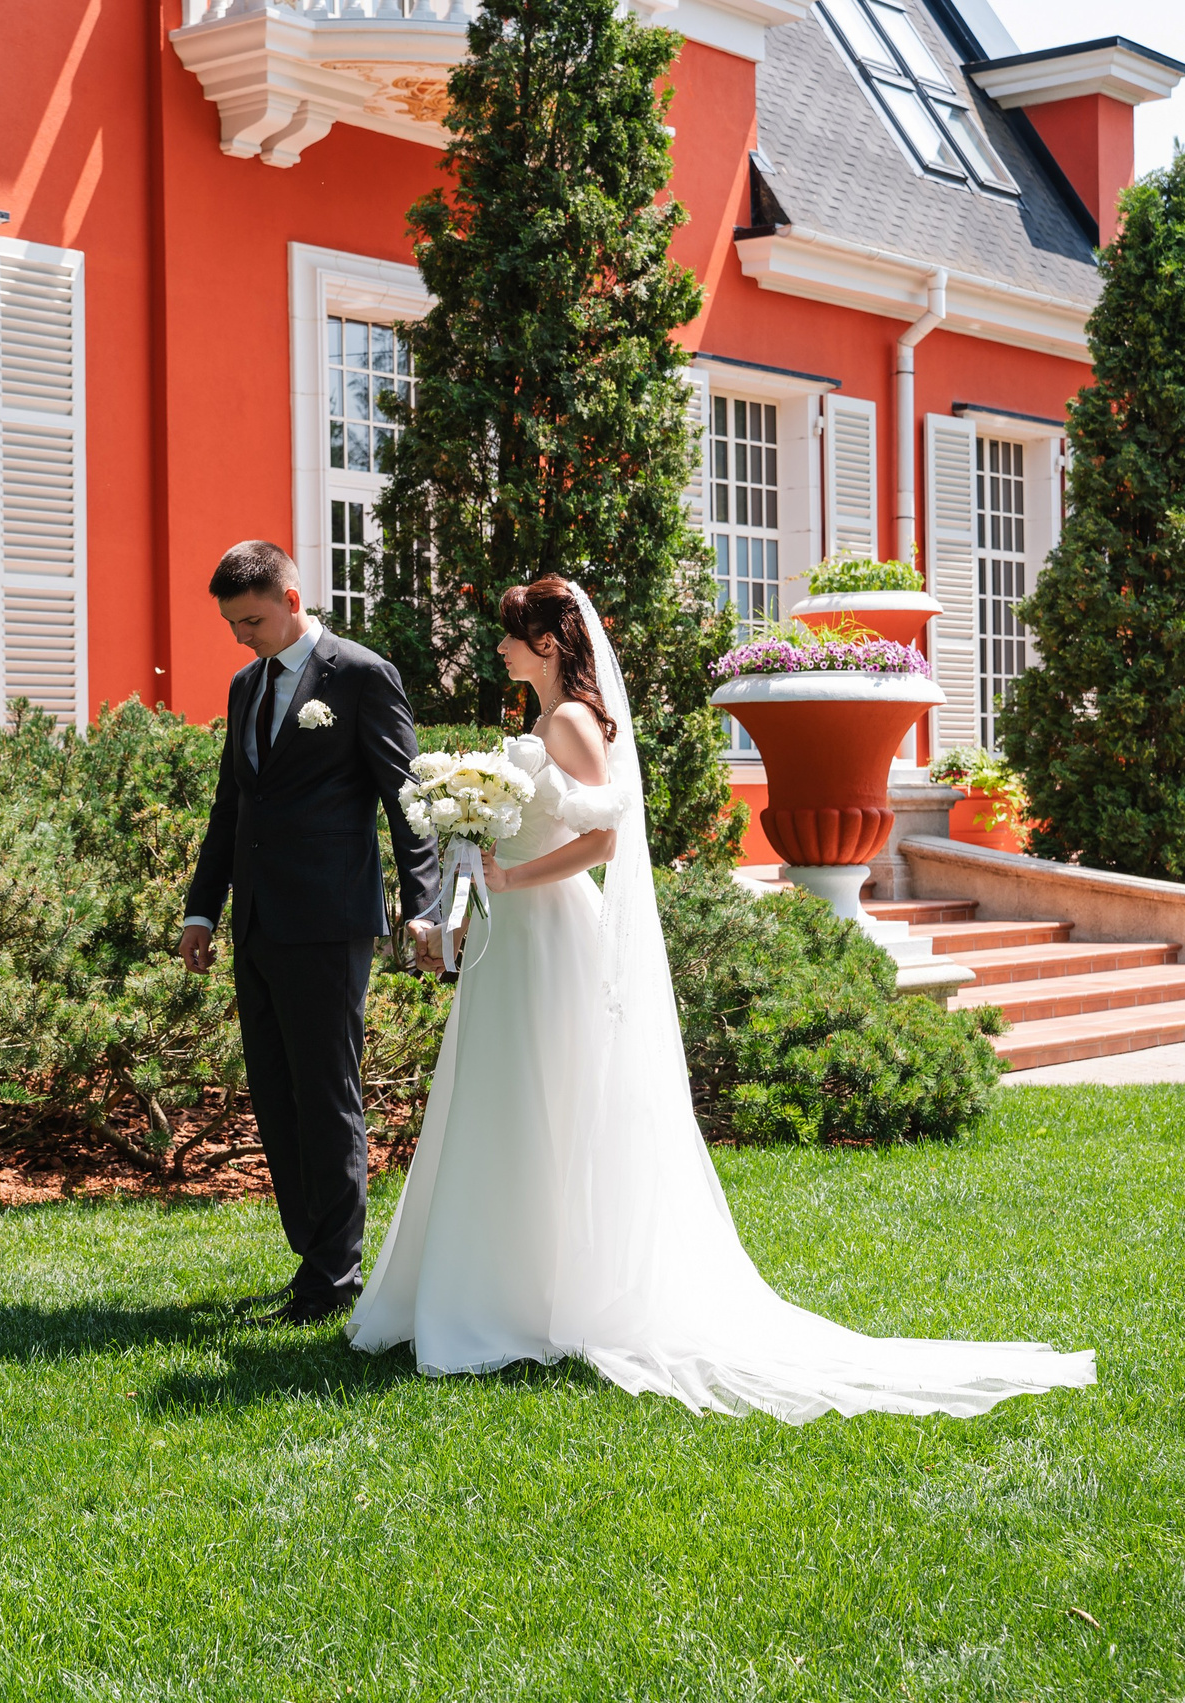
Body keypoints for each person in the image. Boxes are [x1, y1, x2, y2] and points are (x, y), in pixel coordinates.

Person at [344, 576, 1095, 1422]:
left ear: (547, 644)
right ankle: (494, 1286)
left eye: (509, 635)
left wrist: (510, 874)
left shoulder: (567, 723)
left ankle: (518, 1299)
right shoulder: (552, 720)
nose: (499, 648)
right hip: (516, 937)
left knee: (536, 1099)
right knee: (508, 1099)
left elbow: (603, 836)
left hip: (547, 933)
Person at [176, 541, 440, 1325]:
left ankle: (334, 1277)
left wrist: (422, 903)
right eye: (230, 623)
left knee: (327, 1098)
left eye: (251, 620)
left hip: (329, 921)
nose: (241, 636)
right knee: (277, 1095)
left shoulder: (361, 675)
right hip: (257, 922)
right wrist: (202, 909)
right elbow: (233, 807)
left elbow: (409, 799)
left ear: (293, 600)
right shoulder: (243, 685)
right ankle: (313, 1253)